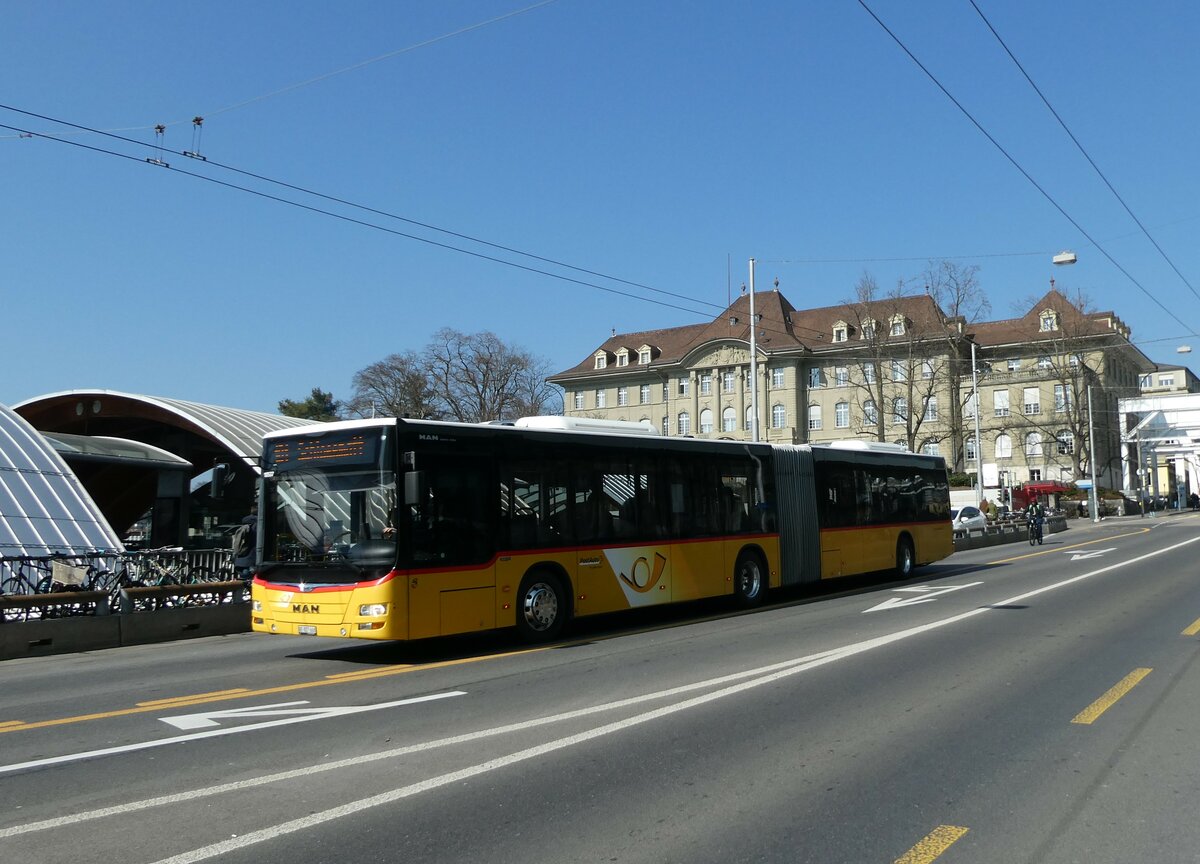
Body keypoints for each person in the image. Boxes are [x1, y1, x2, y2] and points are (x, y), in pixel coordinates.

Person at [232, 502, 258, 579]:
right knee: (249, 583)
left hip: (240, 559)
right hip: (251, 561)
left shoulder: (245, 524)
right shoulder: (258, 525)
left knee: (243, 582)